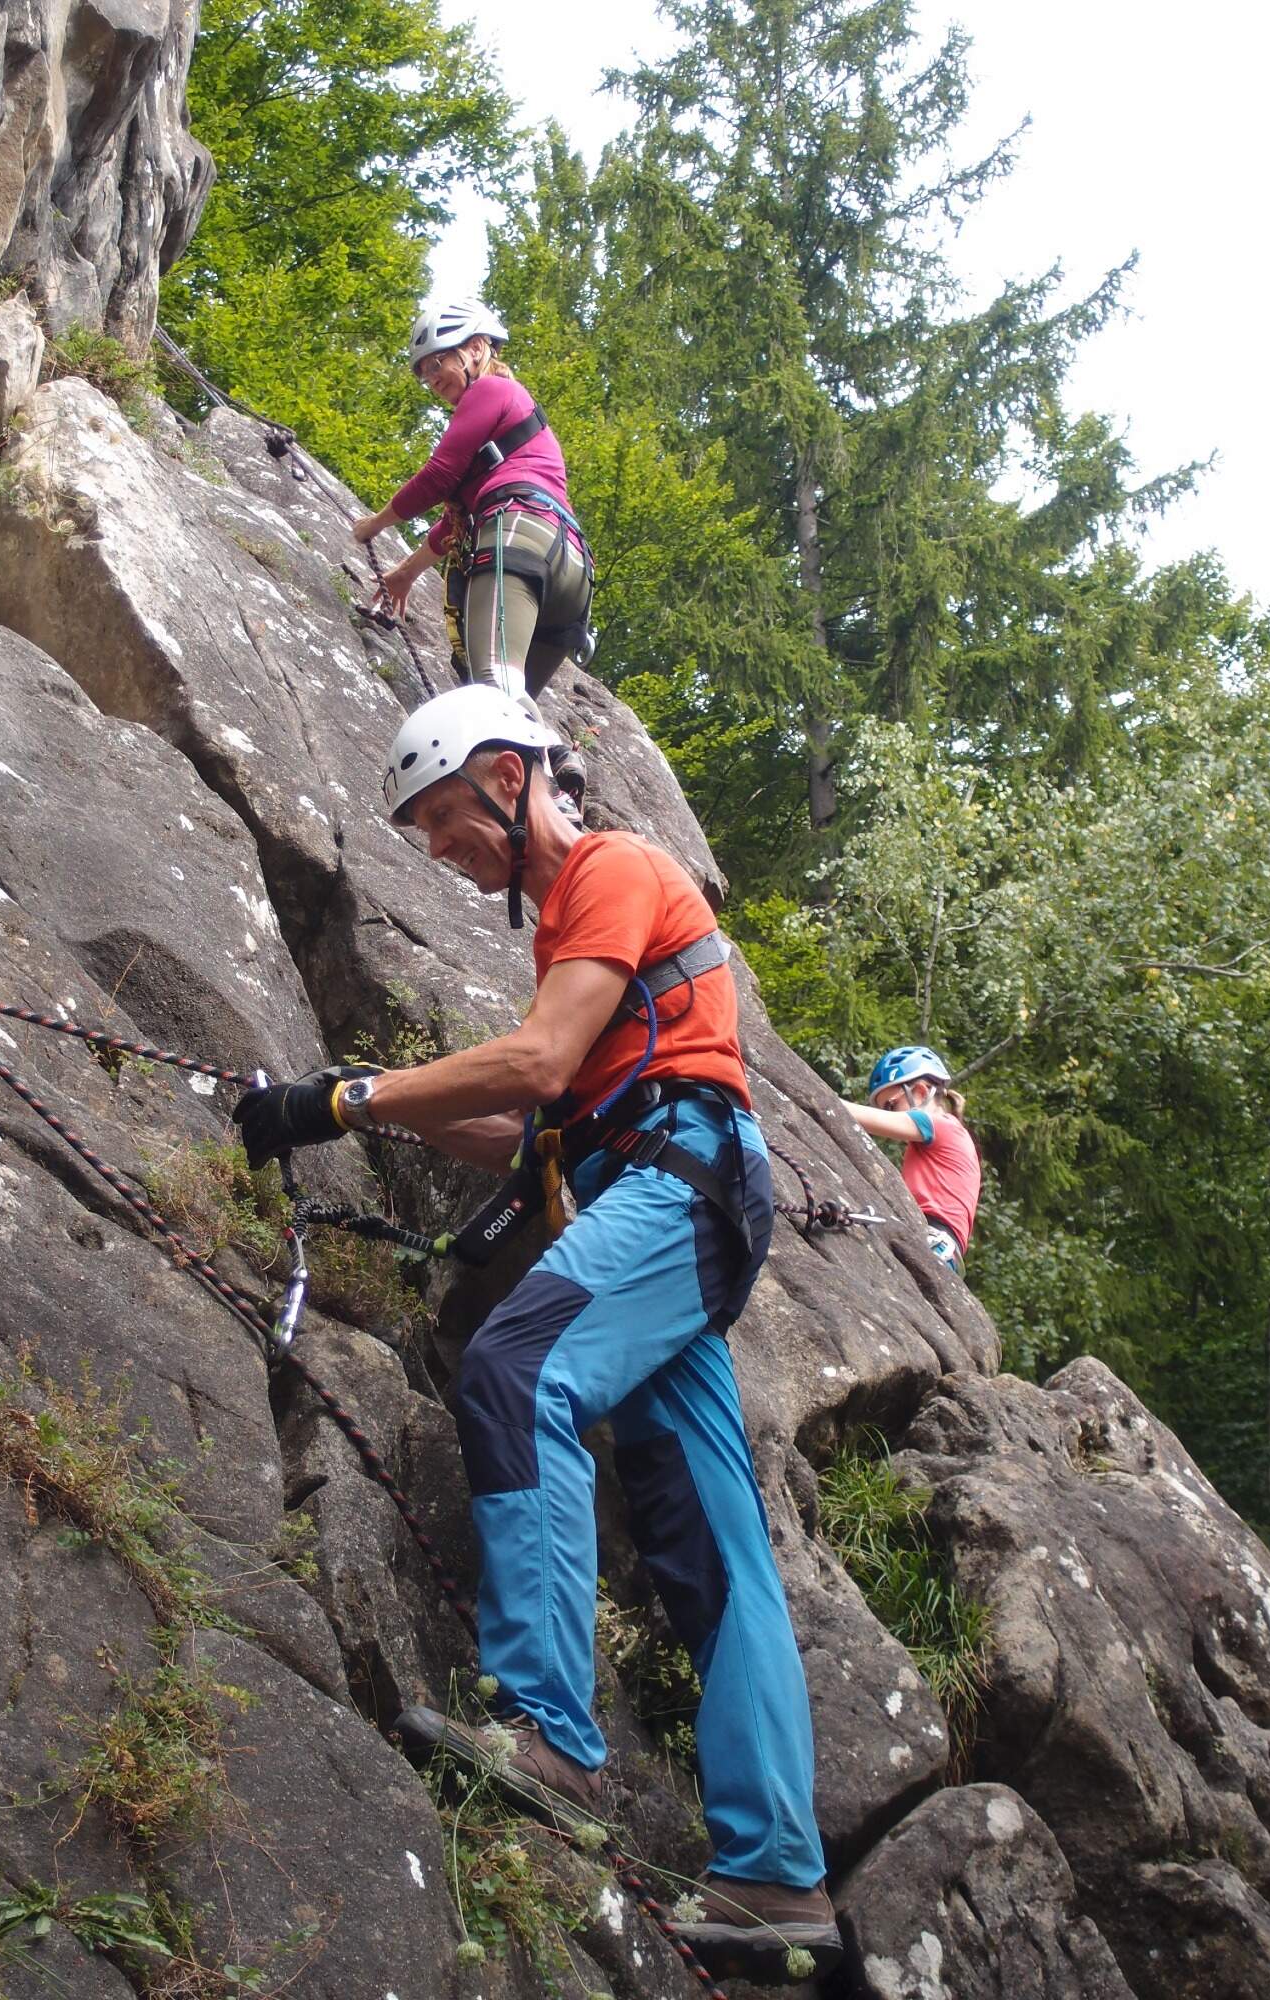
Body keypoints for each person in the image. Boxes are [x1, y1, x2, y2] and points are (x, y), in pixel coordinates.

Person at [233, 684, 839, 1973]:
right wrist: (351, 1108)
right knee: (712, 1545)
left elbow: (539, 1063)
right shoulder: (572, 925)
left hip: (680, 1182)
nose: (447, 855)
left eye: (452, 822)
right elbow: (523, 1127)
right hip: (665, 1193)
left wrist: (336, 1098)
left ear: (513, 777)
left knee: (521, 1366)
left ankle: (551, 1731)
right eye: (428, 841)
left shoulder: (614, 866)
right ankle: (780, 1883)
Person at [349, 297, 592, 804]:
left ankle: (554, 753)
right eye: (423, 371)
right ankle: (555, 799)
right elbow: (453, 525)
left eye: (438, 361)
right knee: (507, 706)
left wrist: (374, 524)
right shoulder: (507, 428)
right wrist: (406, 574)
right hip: (566, 568)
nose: (431, 376)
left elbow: (437, 477)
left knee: (492, 682)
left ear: (477, 347)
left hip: (516, 537)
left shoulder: (491, 390)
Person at [844, 1047, 980, 1270]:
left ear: (920, 1091)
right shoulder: (938, 1140)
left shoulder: (939, 1125)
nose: (888, 1114)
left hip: (933, 1244)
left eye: (890, 1106)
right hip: (939, 1248)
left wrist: (816, 1094)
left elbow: (854, 1115)